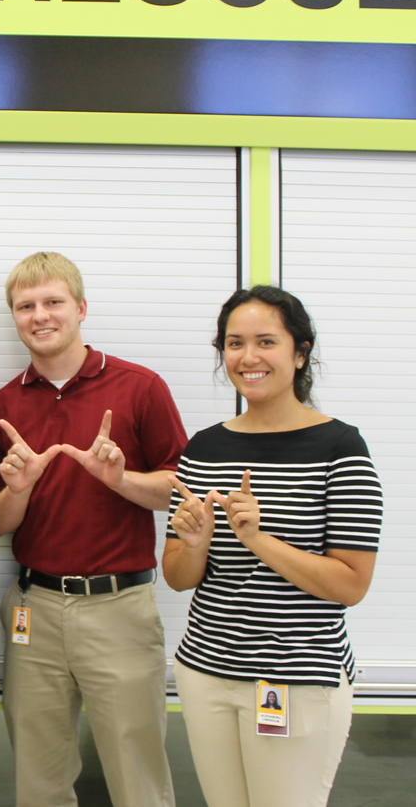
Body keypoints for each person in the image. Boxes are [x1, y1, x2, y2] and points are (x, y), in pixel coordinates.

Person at [0, 251, 185, 807]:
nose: (40, 315)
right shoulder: (1, 405)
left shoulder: (140, 387)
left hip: (118, 609)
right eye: (26, 306)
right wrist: (16, 489)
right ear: (14, 317)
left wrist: (120, 480)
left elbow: (178, 490)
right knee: (39, 779)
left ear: (81, 308)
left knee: (137, 774)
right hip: (33, 611)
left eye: (52, 302)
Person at [163, 285, 382, 807]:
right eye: (234, 344)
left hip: (297, 679)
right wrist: (194, 543)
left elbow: (351, 584)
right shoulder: (205, 447)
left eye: (266, 341)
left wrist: (258, 539)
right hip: (206, 671)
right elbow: (177, 575)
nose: (249, 357)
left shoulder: (340, 447)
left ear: (299, 352)